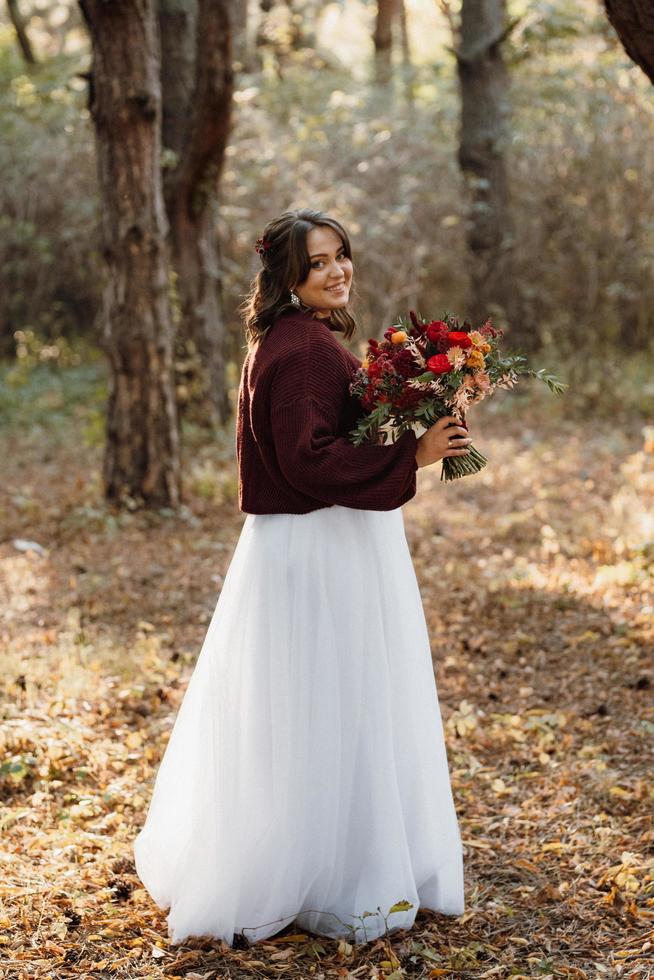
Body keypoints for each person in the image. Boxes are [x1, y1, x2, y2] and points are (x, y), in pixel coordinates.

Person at [133, 207, 470, 948]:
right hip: (320, 548)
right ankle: (332, 873)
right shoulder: (305, 351)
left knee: (308, 704)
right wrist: (412, 457)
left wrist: (420, 418)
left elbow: (327, 440)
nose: (338, 270)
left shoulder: (291, 342)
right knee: (335, 699)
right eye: (318, 262)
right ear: (288, 277)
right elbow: (308, 460)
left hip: (304, 543)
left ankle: (321, 857)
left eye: (341, 254)